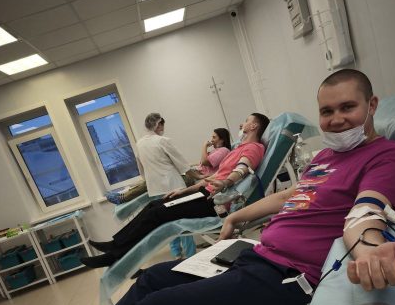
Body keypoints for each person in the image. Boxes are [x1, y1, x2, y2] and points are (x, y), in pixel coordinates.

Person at [0, 70, 395, 305]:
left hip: (291, 281)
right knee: (152, 280)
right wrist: (236, 217)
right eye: (327, 111)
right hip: (259, 258)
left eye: (347, 108)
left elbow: (366, 213)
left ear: (371, 105)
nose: (336, 119)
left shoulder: (387, 157)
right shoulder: (325, 159)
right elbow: (293, 196)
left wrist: (368, 248)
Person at [80, 113, 270, 268]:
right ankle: (114, 245)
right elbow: (211, 178)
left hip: (214, 201)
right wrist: (184, 191)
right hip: (204, 193)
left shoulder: (254, 147)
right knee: (153, 206)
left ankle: (115, 256)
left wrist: (227, 182)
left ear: (254, 126)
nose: (242, 123)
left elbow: (242, 169)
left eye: (246, 120)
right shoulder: (237, 148)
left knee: (156, 214)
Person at [133, 112, 196, 259]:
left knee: (166, 222)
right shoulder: (163, 141)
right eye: (162, 124)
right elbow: (181, 163)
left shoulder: (139, 143)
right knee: (183, 221)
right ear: (158, 124)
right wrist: (198, 176)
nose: (163, 128)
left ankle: (176, 254)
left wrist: (150, 180)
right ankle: (190, 255)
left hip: (155, 189)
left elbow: (141, 168)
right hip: (173, 186)